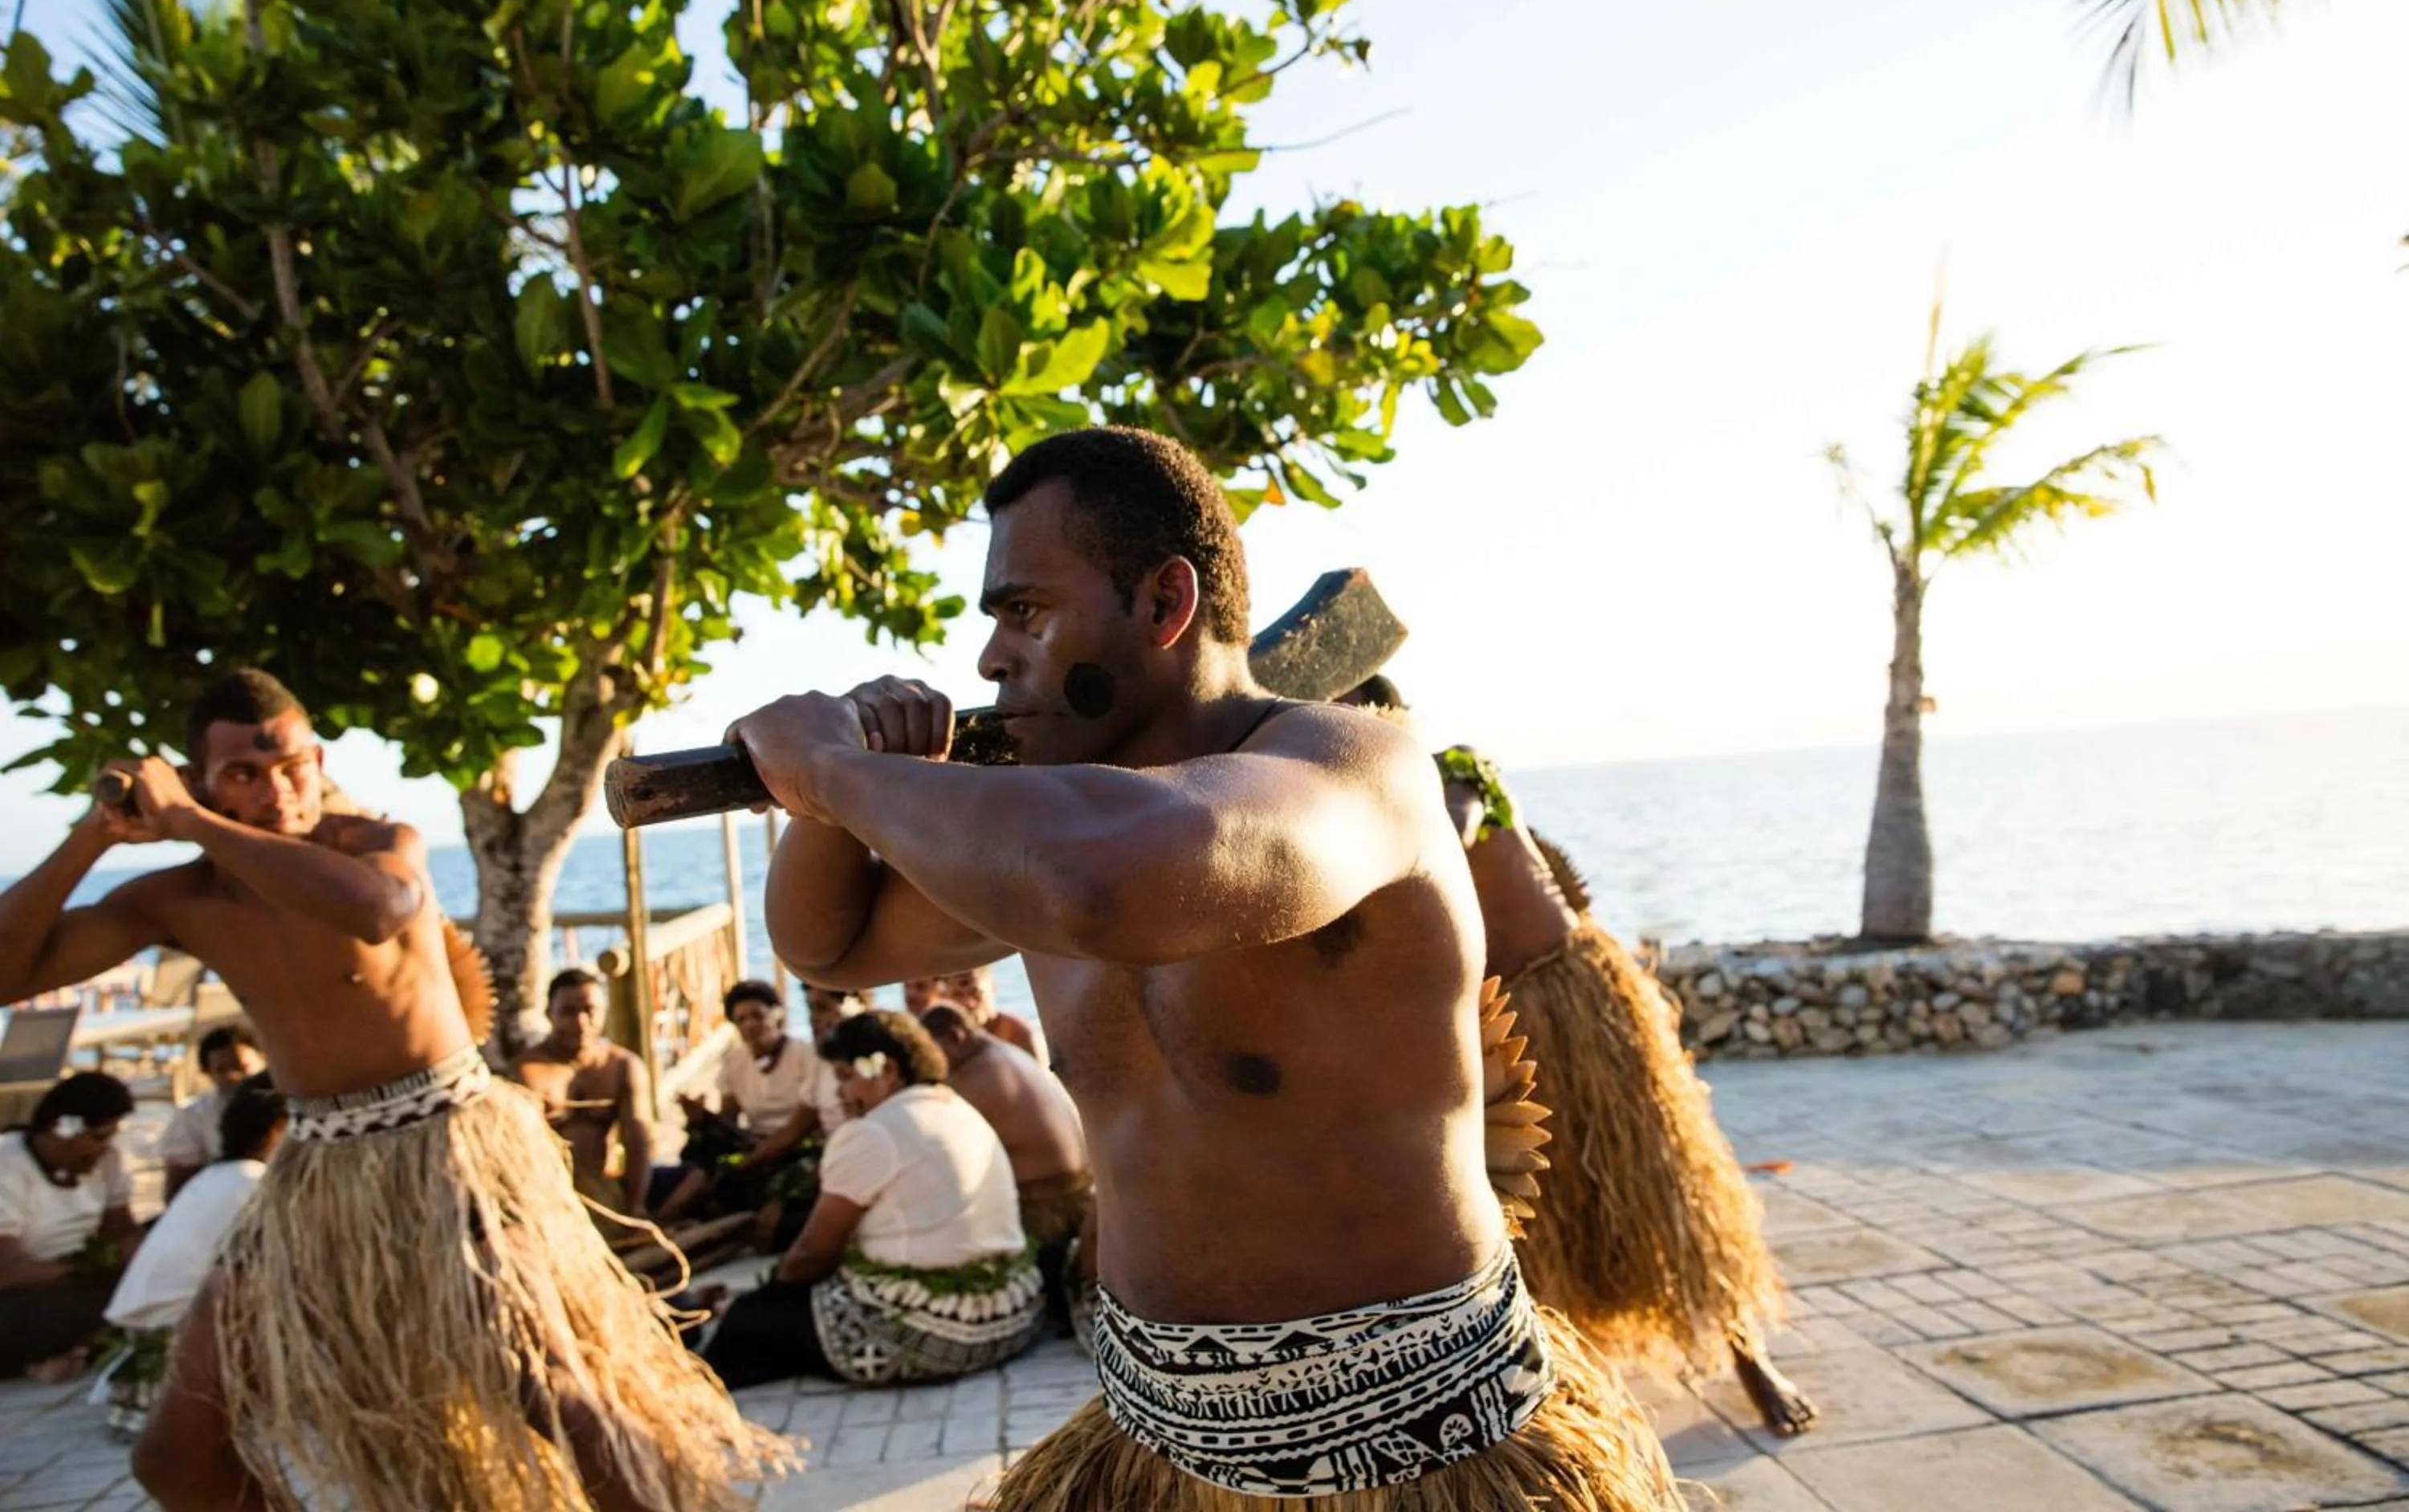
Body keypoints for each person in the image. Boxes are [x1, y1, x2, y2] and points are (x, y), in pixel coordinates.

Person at [732, 427, 1676, 1510]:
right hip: (1155, 1449)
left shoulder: (1352, 771)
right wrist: (830, 801)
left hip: (1421, 1448)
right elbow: (831, 944)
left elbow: (1114, 879)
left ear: (1165, 605)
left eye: (1026, 614)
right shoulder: (1043, 833)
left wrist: (838, 770)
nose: (992, 661)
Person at [0, 666, 786, 1511]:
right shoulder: (181, 898)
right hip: (314, 1175)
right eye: (243, 774)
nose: (277, 789)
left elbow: (378, 910)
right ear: (199, 780)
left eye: (291, 764)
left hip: (449, 1149)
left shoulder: (373, 844)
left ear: (319, 757)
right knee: (177, 1456)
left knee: (558, 1395)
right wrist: (96, 833)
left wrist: (191, 817)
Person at [1342, 675, 1817, 1438]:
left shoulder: (1456, 774)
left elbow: (1456, 834)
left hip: (1582, 1001)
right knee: (1540, 1215)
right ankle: (1570, 1380)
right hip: (1495, 1026)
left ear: (1392, 722)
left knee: (1663, 1180)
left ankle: (1749, 1356)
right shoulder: (1350, 819)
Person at [701, 1009, 1042, 1390]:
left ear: (888, 1071)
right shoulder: (956, 1107)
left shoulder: (873, 1133)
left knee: (749, 1319)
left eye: (847, 1078)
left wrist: (767, 1294)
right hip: (1014, 1311)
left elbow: (812, 1256)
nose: (841, 1094)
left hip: (944, 1331)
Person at [101, 1074, 286, 1436]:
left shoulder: (213, 1178)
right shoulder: (254, 1186)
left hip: (146, 1339)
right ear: (281, 1129)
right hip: (186, 1345)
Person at [918, 1001, 1091, 1315]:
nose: (930, 1065)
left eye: (931, 1053)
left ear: (956, 1037)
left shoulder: (978, 1077)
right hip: (1080, 1192)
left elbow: (935, 1148)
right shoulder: (1006, 1054)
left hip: (1046, 1207)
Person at [654, 979, 846, 1233]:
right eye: (741, 1019)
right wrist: (700, 1117)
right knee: (705, 1150)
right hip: (754, 1140)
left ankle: (683, 1215)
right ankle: (663, 1218)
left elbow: (799, 1129)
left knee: (746, 1176)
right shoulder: (735, 1061)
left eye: (758, 1016)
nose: (751, 1025)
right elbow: (728, 1120)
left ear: (777, 1015)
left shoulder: (805, 1056)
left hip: (797, 1146)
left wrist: (749, 1161)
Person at [0, 1072, 141, 1381]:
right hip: (22, 1293)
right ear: (59, 1130)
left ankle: (77, 1350)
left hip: (77, 1279)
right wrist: (81, 1270)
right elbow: (7, 1270)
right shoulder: (7, 1164)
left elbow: (123, 1231)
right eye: (97, 1138)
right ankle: (66, 1352)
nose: (105, 1148)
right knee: (57, 1309)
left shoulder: (108, 1160)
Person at [511, 969, 654, 1221]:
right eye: (568, 1011)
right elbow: (515, 1152)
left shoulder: (622, 1066)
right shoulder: (527, 1072)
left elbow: (639, 1143)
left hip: (605, 1189)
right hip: (549, 1196)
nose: (580, 1022)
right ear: (549, 1014)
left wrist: (636, 1206)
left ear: (603, 1013)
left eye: (590, 1010)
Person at [157, 1024, 265, 1200]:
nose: (234, 1077)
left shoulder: (291, 1107)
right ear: (207, 1073)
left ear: (263, 1061)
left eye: (242, 1067)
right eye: (221, 1070)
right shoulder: (193, 1115)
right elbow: (179, 1186)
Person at [935, 964, 1049, 1066]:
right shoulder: (944, 1041)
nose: (969, 1003)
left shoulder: (1021, 1035)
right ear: (944, 998)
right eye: (958, 995)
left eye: (975, 993)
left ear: (993, 988)